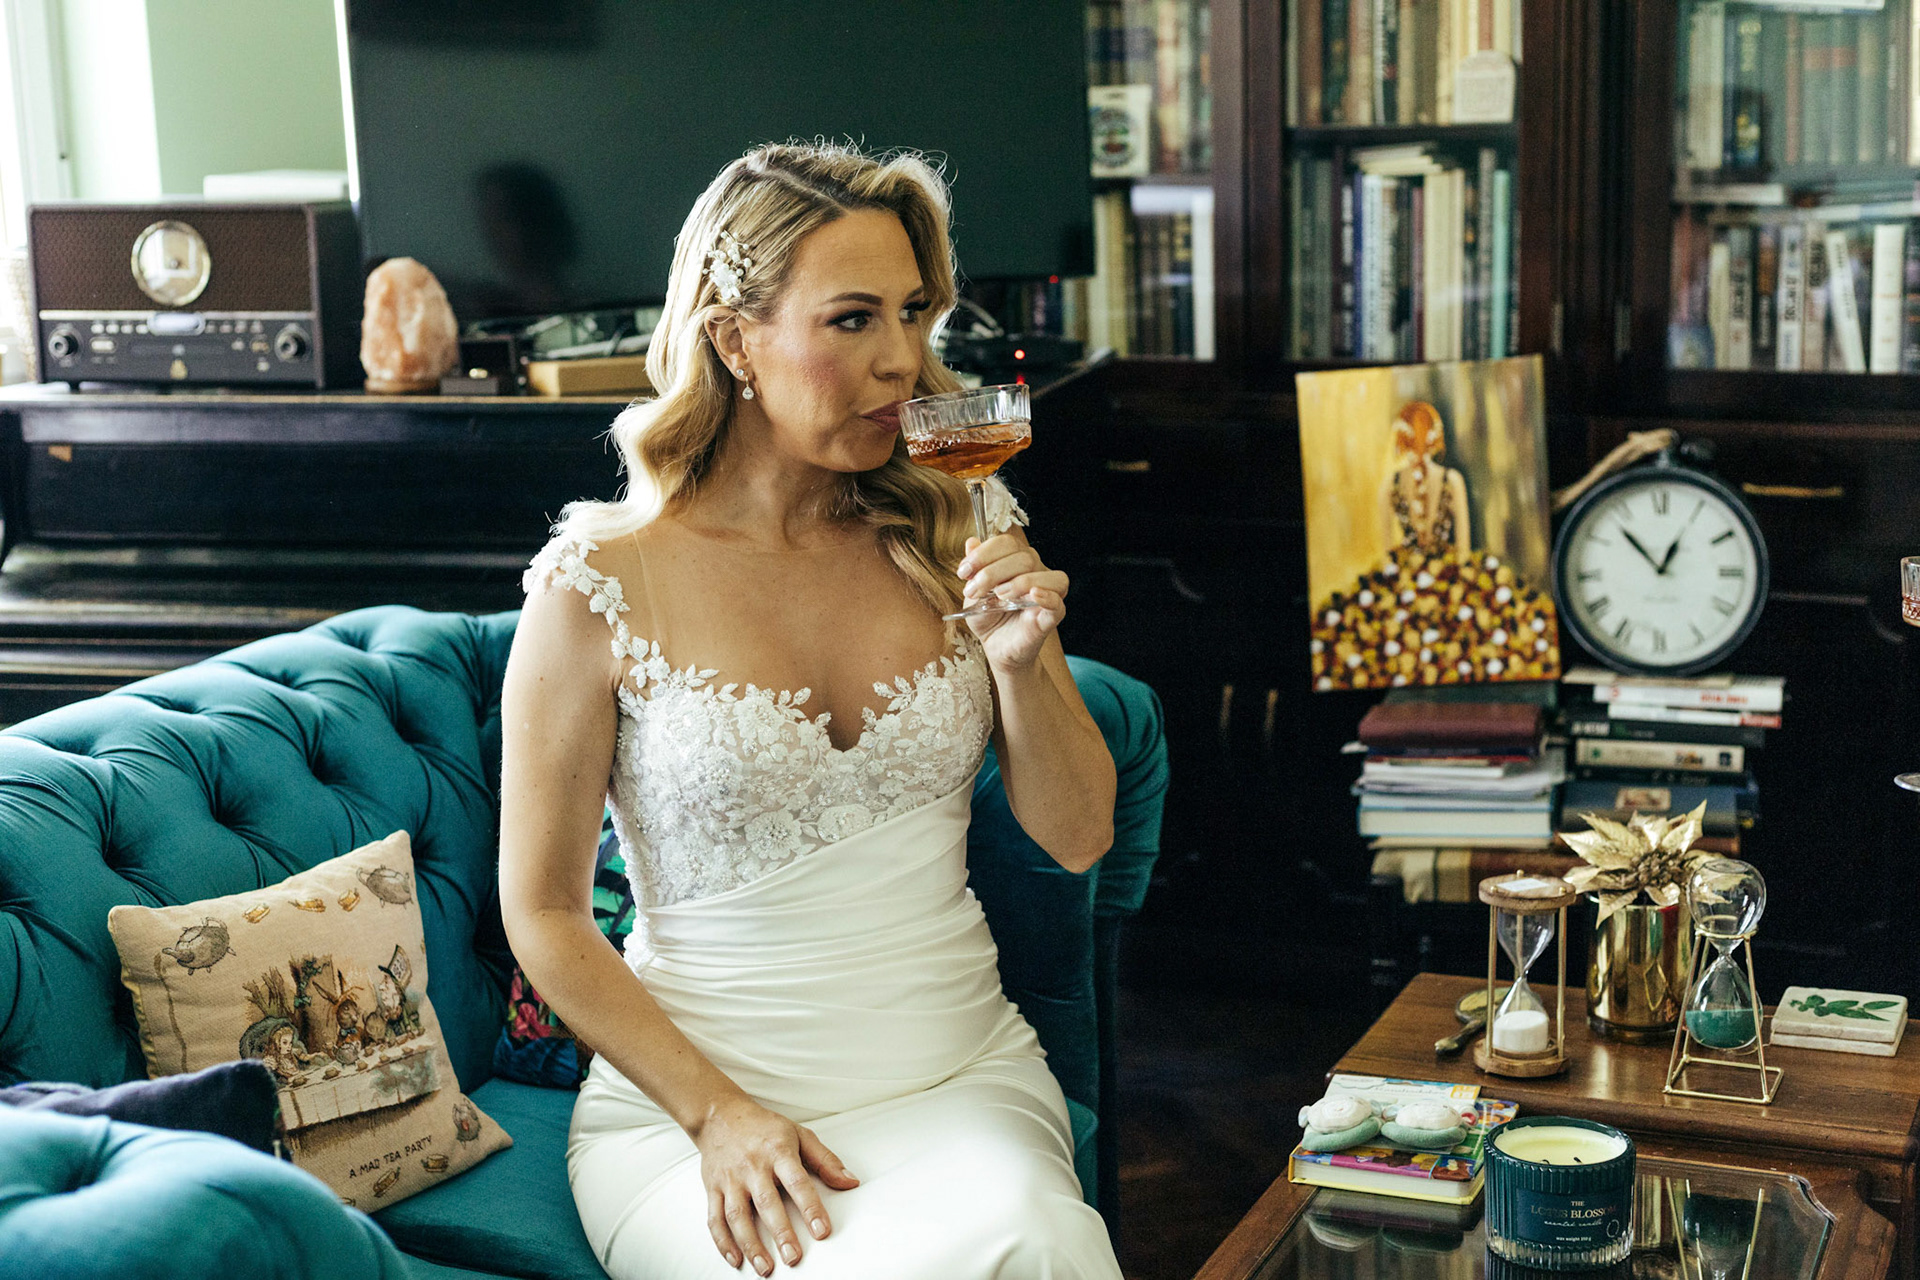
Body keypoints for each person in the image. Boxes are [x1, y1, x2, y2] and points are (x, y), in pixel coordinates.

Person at [498, 140, 1122, 1280]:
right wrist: (717, 1115)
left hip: (958, 1078)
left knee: (1032, 1242)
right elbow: (543, 916)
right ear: (734, 340)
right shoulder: (596, 583)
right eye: (851, 319)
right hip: (700, 1114)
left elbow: (1079, 835)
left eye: (913, 313)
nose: (902, 359)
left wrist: (1023, 661)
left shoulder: (959, 520)